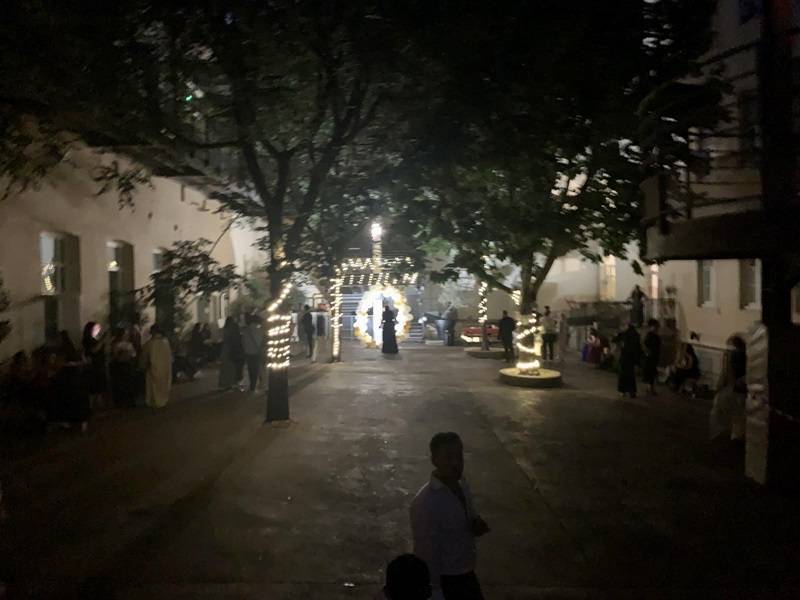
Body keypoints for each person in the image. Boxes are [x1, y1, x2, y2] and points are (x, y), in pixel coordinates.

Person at [411, 432, 489, 600]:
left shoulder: (462, 484)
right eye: (448, 457)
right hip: (448, 581)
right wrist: (435, 591)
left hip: (466, 571)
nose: (455, 463)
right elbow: (426, 554)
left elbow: (468, 516)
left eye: (459, 456)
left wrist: (475, 523)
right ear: (434, 460)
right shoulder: (426, 503)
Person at [55, 330, 90, 432]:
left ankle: (72, 421)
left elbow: (60, 363)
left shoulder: (62, 351)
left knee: (71, 399)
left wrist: (68, 364)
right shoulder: (71, 350)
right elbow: (82, 362)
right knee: (76, 399)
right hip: (75, 378)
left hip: (69, 378)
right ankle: (80, 421)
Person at [139, 324, 172, 408]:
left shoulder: (149, 344)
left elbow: (143, 358)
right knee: (163, 385)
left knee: (153, 387)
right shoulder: (166, 342)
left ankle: (154, 402)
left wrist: (142, 366)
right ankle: (163, 400)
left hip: (153, 369)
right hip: (165, 368)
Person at [82, 321, 107, 409]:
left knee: (99, 387)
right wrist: (102, 340)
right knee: (93, 387)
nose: (98, 330)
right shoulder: (87, 340)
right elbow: (94, 350)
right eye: (96, 328)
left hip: (99, 364)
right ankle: (91, 406)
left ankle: (99, 405)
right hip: (93, 366)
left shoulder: (96, 339)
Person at [109, 327, 137, 407]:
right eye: (125, 334)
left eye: (127, 334)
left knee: (128, 383)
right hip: (119, 366)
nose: (126, 335)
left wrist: (129, 354)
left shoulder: (129, 344)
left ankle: (129, 401)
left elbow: (133, 354)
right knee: (120, 384)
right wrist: (121, 353)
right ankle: (120, 402)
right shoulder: (116, 344)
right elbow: (114, 355)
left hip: (127, 365)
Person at [616, 323, 642, 398]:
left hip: (625, 357)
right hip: (631, 358)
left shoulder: (625, 335)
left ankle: (623, 391)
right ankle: (631, 391)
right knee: (630, 375)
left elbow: (616, 340)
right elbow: (638, 348)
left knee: (623, 375)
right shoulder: (635, 334)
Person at [218, 316, 244, 390]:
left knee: (225, 367)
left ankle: (225, 383)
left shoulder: (225, 329)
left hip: (225, 349)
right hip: (232, 350)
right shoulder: (233, 329)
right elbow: (236, 340)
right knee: (231, 367)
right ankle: (232, 382)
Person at [242, 314, 265, 392]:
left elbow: (243, 341)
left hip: (248, 351)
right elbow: (259, 340)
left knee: (251, 369)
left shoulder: (246, 329)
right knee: (256, 368)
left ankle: (252, 384)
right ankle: (254, 385)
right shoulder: (257, 328)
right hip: (255, 352)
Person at [642, 319, 662, 396]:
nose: (657, 328)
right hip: (650, 357)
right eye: (656, 327)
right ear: (651, 327)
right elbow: (645, 344)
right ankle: (650, 388)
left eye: (657, 327)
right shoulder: (650, 335)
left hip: (654, 356)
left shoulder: (655, 336)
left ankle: (649, 388)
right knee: (651, 373)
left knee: (652, 373)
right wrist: (647, 352)